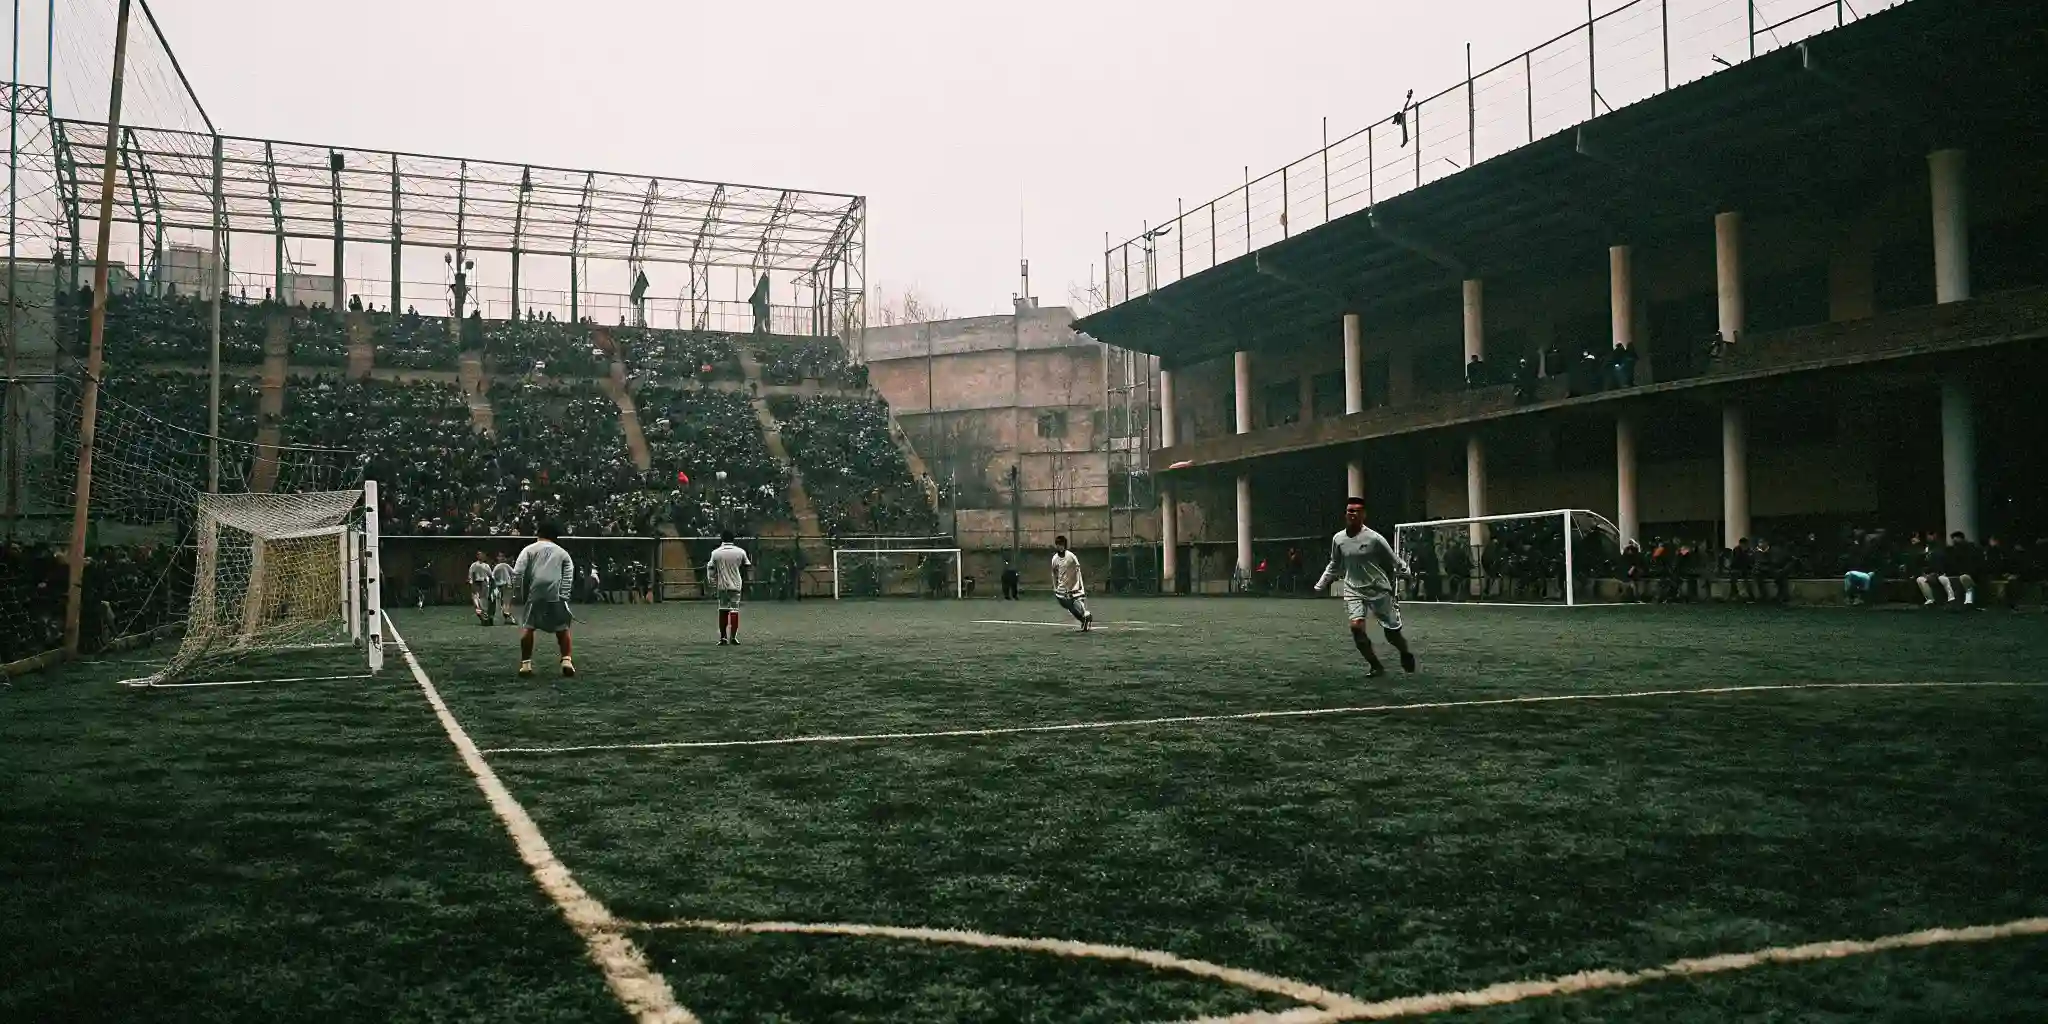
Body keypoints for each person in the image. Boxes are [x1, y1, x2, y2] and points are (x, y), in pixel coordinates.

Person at [1313, 496, 1416, 678]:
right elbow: (1334, 564)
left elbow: (1395, 561)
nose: (1351, 513)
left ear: (1363, 515)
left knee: (1392, 634)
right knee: (1356, 627)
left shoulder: (1374, 538)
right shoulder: (1338, 539)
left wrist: (1408, 576)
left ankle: (1405, 652)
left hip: (1378, 589)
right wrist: (1320, 584)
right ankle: (1376, 666)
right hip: (1353, 588)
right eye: (1349, 510)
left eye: (1356, 511)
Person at [513, 520, 576, 678]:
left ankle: (526, 664)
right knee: (562, 628)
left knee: (529, 627)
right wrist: (564, 595)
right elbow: (568, 575)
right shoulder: (563, 553)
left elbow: (518, 572)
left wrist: (519, 593)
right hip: (555, 594)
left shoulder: (528, 549)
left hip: (535, 593)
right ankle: (566, 660)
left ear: (538, 534)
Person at [708, 530, 751, 645]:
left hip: (722, 586)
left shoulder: (715, 553)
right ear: (733, 539)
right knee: (734, 610)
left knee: (722, 610)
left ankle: (723, 638)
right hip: (736, 585)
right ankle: (733, 638)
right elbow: (747, 567)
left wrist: (712, 583)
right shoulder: (740, 552)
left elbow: (711, 569)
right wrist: (747, 583)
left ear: (722, 538)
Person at [1050, 535, 1093, 632]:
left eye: (1061, 545)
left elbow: (1077, 567)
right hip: (1062, 585)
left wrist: (1072, 580)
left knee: (1076, 600)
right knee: (1067, 605)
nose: (1059, 547)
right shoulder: (1055, 558)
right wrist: (1055, 585)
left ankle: (1085, 616)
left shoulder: (1071, 556)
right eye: (1058, 545)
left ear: (1064, 545)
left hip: (1074, 584)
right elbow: (1053, 572)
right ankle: (1085, 618)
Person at [467, 550, 493, 626]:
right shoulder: (474, 565)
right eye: (479, 555)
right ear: (477, 556)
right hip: (476, 583)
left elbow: (490, 575)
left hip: (484, 583)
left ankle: (485, 616)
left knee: (483, 599)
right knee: (476, 599)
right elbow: (470, 575)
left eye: (482, 555)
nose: (481, 556)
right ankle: (481, 613)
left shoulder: (486, 566)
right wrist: (471, 583)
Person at [491, 552, 514, 624]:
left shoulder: (497, 567)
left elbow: (493, 576)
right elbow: (513, 573)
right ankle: (507, 613)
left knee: (503, 601)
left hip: (500, 585)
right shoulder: (505, 566)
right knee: (506, 601)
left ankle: (506, 614)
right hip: (506, 584)